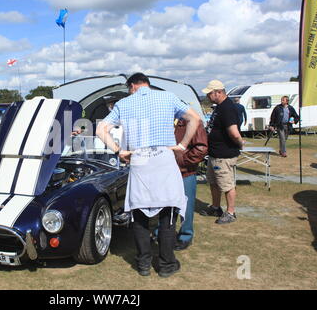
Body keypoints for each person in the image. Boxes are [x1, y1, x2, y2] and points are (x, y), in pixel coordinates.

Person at [96, 73, 201, 277]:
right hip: (164, 157)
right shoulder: (168, 97)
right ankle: (166, 264)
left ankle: (143, 263)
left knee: (139, 213)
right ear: (146, 84)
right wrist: (182, 145)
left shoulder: (124, 103)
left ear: (133, 86)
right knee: (168, 211)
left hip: (139, 158)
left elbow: (101, 129)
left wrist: (118, 151)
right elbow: (195, 119)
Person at [201, 80, 245, 225]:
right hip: (215, 154)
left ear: (218, 92)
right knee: (214, 182)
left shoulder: (227, 108)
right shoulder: (220, 107)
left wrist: (240, 143)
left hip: (223, 155)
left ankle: (231, 212)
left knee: (227, 185)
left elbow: (233, 131)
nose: (207, 96)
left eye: (209, 93)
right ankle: (215, 207)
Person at [174, 118, 208, 250]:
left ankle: (185, 235)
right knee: (164, 204)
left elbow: (201, 148)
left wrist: (182, 162)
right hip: (165, 172)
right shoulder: (162, 119)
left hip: (185, 172)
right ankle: (162, 232)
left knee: (186, 206)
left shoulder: (193, 122)